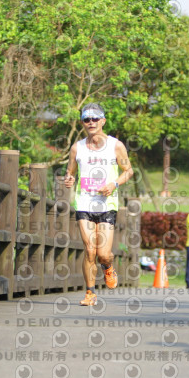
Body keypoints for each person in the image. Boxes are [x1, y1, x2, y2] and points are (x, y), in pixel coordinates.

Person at [64, 103, 134, 306]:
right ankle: (90, 293)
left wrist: (114, 184)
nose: (91, 122)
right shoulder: (77, 147)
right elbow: (70, 172)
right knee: (90, 250)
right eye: (87, 119)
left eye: (95, 118)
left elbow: (128, 171)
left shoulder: (116, 146)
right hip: (84, 203)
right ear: (82, 122)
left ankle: (108, 267)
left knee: (103, 254)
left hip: (106, 204)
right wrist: (68, 179)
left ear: (103, 120)